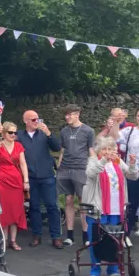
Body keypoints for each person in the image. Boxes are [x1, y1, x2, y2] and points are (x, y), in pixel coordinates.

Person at [82, 137, 138, 276]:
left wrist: (132, 164)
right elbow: (91, 174)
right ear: (99, 151)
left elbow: (134, 175)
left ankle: (113, 270)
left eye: (110, 149)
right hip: (98, 209)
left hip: (116, 210)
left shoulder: (118, 162)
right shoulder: (93, 161)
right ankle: (95, 270)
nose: (108, 152)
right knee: (96, 240)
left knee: (115, 242)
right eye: (105, 149)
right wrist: (103, 160)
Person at [18, 111, 63, 248]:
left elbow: (57, 147)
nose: (36, 121)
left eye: (38, 119)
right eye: (33, 119)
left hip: (47, 175)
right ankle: (37, 235)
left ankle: (56, 236)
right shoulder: (19, 136)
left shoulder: (44, 133)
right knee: (34, 207)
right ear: (25, 121)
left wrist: (49, 133)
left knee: (52, 206)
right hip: (31, 177)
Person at [109, 106, 139, 234]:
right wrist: (116, 123)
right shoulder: (129, 131)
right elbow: (113, 138)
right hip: (133, 172)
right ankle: (126, 234)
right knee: (131, 204)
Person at [58, 104, 94, 246]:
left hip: (81, 168)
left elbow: (90, 150)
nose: (67, 117)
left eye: (70, 114)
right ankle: (70, 236)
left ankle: (86, 235)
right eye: (66, 114)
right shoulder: (64, 131)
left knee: (83, 201)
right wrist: (59, 168)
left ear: (77, 114)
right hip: (66, 169)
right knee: (68, 200)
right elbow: (62, 151)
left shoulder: (88, 130)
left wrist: (95, 167)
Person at [0, 122, 29, 251]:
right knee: (4, 210)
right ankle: (4, 239)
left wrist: (26, 181)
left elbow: (23, 164)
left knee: (16, 210)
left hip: (16, 182)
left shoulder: (18, 146)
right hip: (1, 181)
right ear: (4, 133)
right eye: (10, 132)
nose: (13, 135)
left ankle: (13, 240)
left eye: (15, 133)